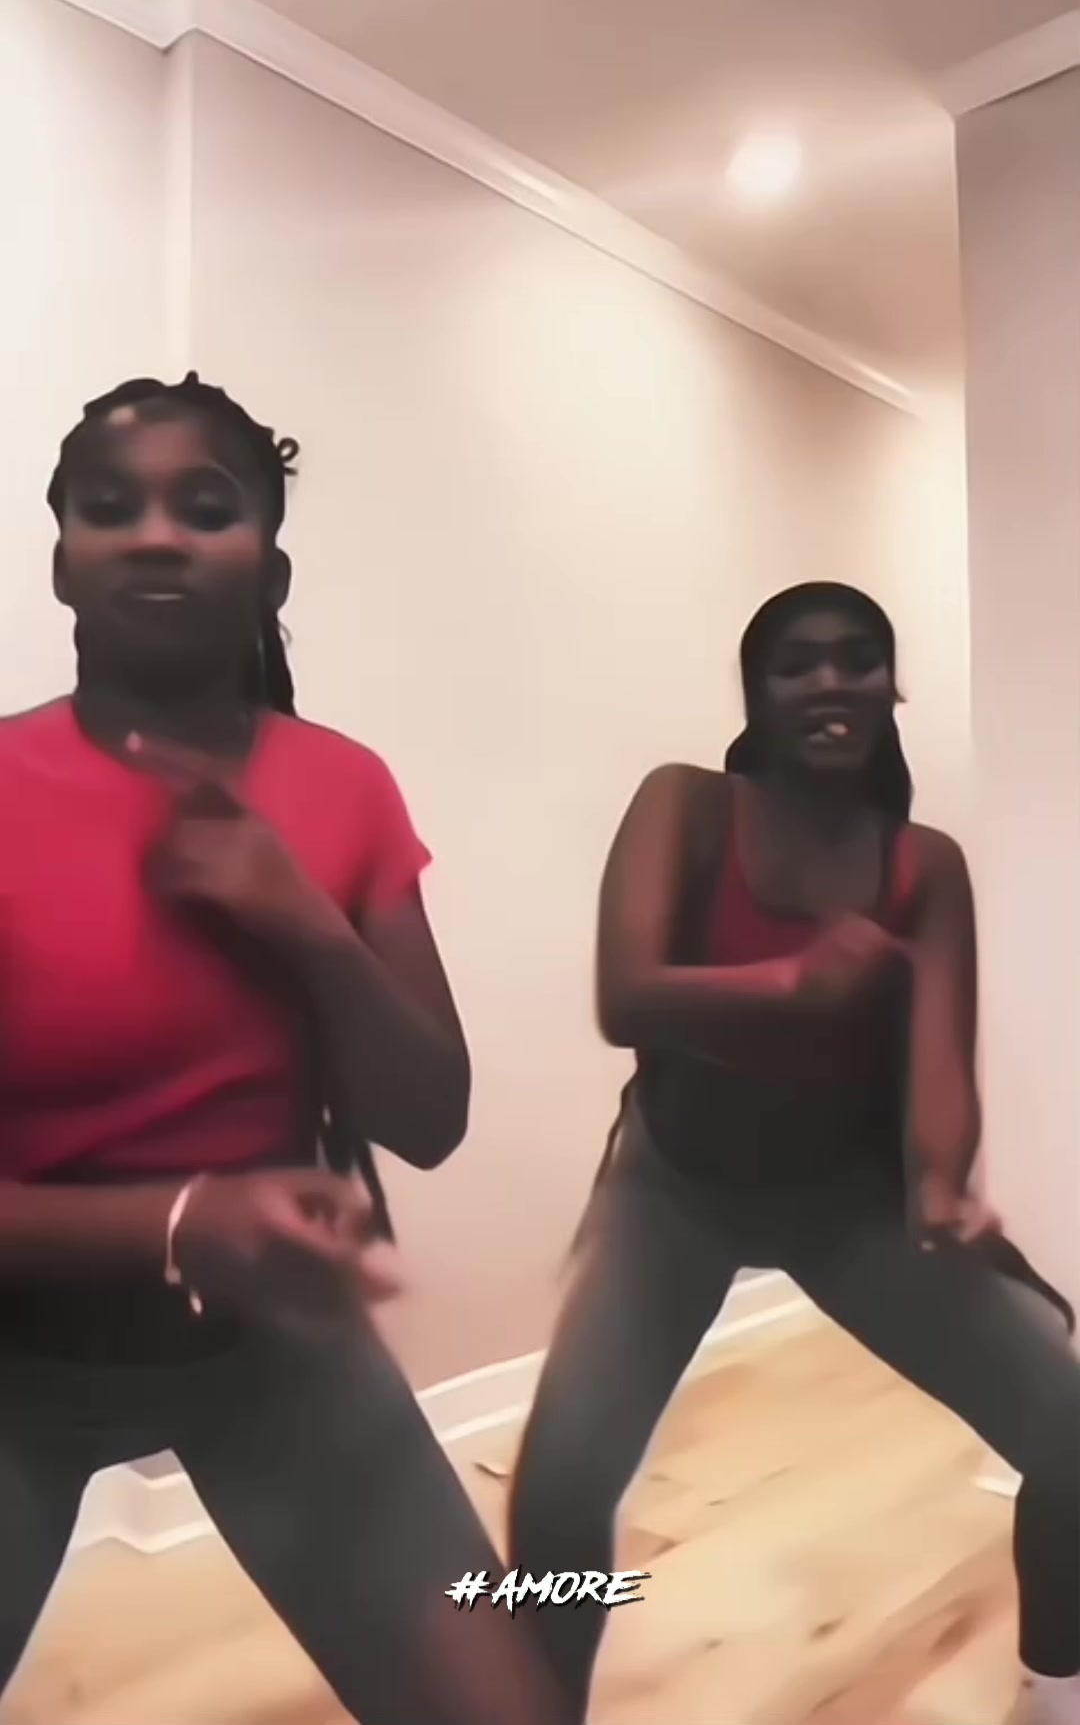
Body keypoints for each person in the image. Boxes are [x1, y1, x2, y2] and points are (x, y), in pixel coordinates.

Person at [0, 374, 568, 1725]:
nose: (156, 533)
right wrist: (184, 1218)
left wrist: (302, 921)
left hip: (275, 1355)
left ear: (270, 569)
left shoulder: (342, 784)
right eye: (110, 506)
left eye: (206, 507)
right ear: (62, 561)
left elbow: (429, 1115)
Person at [509, 581, 1079, 1725]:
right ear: (754, 691)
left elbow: (939, 1064)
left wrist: (941, 1182)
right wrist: (793, 983)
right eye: (798, 662)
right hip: (672, 1189)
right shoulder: (684, 804)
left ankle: (1052, 1685)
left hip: (847, 1200)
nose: (830, 681)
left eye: (858, 658)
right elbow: (627, 996)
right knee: (561, 1492)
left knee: (1069, 1435)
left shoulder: (925, 864)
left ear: (891, 686)